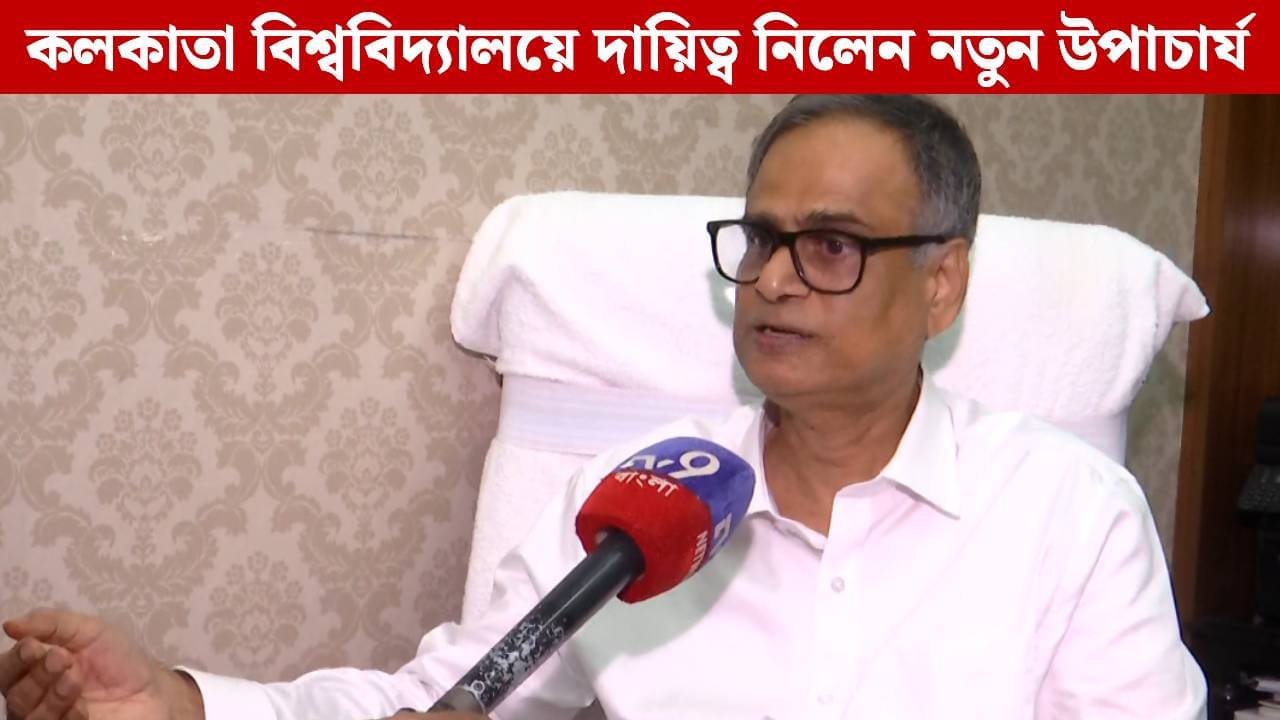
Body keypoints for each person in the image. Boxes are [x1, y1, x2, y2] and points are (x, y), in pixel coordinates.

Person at [0, 94, 1207, 720]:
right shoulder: (640, 505)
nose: (776, 279)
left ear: (940, 282)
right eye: (762, 239)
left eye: (831, 245)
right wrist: (182, 702)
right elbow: (451, 695)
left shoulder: (1067, 512)